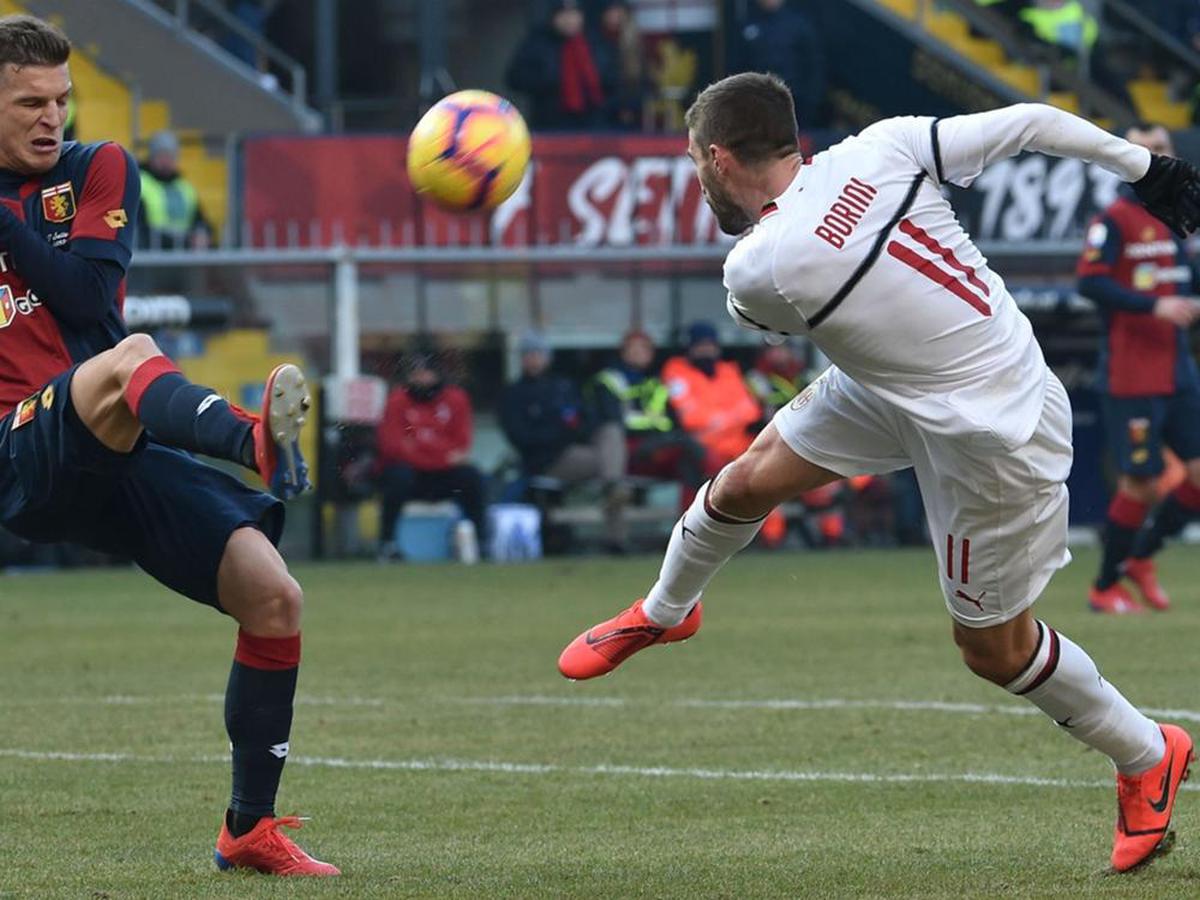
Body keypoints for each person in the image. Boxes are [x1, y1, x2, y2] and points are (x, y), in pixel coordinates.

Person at [558, 71, 1200, 873]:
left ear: (719, 159)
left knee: (994, 651)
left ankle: (1147, 753)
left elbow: (774, 292)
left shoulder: (758, 270)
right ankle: (664, 610)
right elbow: (1034, 120)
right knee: (748, 480)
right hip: (901, 382)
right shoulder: (884, 144)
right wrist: (1151, 172)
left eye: (695, 164)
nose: (697, 179)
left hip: (990, 434)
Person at [0, 15, 336, 876]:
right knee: (135, 359)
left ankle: (248, 831)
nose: (54, 119)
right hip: (16, 447)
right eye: (30, 102)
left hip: (109, 432)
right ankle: (250, 439)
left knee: (274, 598)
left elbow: (81, 297)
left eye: (63, 100)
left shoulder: (96, 168)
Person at [1077, 123, 1200, 614]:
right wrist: (1154, 308)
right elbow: (1090, 283)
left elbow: (1182, 282)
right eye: (1145, 151)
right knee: (1142, 483)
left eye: (1163, 149)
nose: (1156, 157)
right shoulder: (1113, 220)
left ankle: (1141, 558)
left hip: (1178, 369)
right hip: (1133, 374)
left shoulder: (1177, 220)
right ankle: (1103, 585)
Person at [500, 330, 627, 549]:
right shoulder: (513, 394)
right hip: (547, 460)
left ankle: (613, 490)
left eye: (538, 353)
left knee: (611, 431)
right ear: (521, 359)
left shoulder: (563, 386)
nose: (534, 359)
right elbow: (522, 437)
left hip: (577, 451)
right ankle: (615, 532)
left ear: (547, 357)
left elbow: (587, 419)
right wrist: (563, 434)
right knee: (611, 467)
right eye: (529, 354)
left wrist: (573, 431)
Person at [376, 352, 486, 559]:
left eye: (426, 373)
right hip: (413, 476)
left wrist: (420, 448)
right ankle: (387, 544)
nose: (421, 379)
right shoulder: (397, 400)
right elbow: (392, 446)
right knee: (397, 477)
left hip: (443, 476)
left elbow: (462, 445)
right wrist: (440, 454)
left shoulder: (456, 399)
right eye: (415, 373)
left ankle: (481, 541)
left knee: (472, 477)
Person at [588, 329, 706, 508]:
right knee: (687, 449)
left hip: (658, 445)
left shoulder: (656, 383)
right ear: (623, 352)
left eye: (645, 349)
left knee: (692, 456)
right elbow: (616, 422)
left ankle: (694, 518)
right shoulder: (609, 381)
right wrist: (657, 430)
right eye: (634, 348)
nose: (640, 353)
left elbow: (671, 418)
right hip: (629, 448)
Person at [505, 0, 614, 131]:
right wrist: (546, 80)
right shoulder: (537, 43)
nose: (569, 20)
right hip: (549, 123)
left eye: (574, 14)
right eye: (564, 14)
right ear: (553, 17)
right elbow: (514, 78)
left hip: (593, 125)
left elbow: (611, 80)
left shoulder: (595, 43)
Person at [730, 0, 824, 128]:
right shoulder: (746, 25)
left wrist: (811, 100)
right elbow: (738, 66)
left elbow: (813, 65)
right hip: (756, 100)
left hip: (795, 99)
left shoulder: (798, 25)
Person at [136, 129, 212, 250]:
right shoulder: (140, 184)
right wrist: (185, 241)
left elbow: (201, 221)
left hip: (182, 257)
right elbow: (139, 229)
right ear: (152, 156)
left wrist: (202, 234)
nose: (166, 160)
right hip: (152, 256)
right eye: (161, 154)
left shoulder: (185, 188)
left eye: (170, 156)